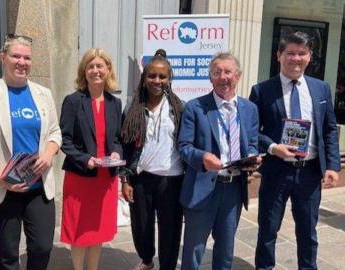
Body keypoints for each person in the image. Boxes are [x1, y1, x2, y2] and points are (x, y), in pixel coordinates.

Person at [0, 33, 62, 270]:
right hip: (3, 187)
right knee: (7, 254)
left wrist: (48, 154)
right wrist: (2, 176)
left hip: (38, 187)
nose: (22, 62)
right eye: (16, 56)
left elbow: (54, 133)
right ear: (3, 58)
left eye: (27, 58)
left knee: (42, 247)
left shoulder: (43, 93)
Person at [249, 31, 340, 270]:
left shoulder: (321, 89)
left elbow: (330, 129)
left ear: (310, 57)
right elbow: (251, 131)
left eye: (302, 53)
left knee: (308, 232)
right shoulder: (262, 90)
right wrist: (272, 147)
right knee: (268, 230)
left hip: (309, 172)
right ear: (279, 55)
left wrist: (332, 165)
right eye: (290, 53)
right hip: (276, 170)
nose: (295, 58)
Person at [177, 52, 261, 270]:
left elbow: (251, 142)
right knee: (193, 251)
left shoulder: (249, 109)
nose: (223, 77)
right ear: (210, 78)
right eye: (217, 72)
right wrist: (202, 158)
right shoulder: (195, 107)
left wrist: (252, 157)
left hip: (233, 190)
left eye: (228, 71)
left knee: (225, 252)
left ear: (238, 75)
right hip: (202, 187)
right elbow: (184, 147)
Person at [120, 49, 185, 270]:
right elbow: (125, 147)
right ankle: (147, 260)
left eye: (162, 76)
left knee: (170, 228)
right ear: (144, 78)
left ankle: (167, 266)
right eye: (152, 76)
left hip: (172, 180)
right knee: (142, 226)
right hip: (141, 179)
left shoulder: (179, 108)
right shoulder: (132, 108)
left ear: (169, 78)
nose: (157, 81)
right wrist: (125, 180)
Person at [59, 48, 122, 270]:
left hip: (106, 179)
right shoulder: (73, 101)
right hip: (81, 178)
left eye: (100, 66)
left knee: (98, 230)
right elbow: (64, 140)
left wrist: (116, 153)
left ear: (108, 70)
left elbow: (116, 139)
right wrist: (85, 158)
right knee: (80, 230)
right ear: (84, 72)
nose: (95, 70)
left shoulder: (115, 103)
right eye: (90, 66)